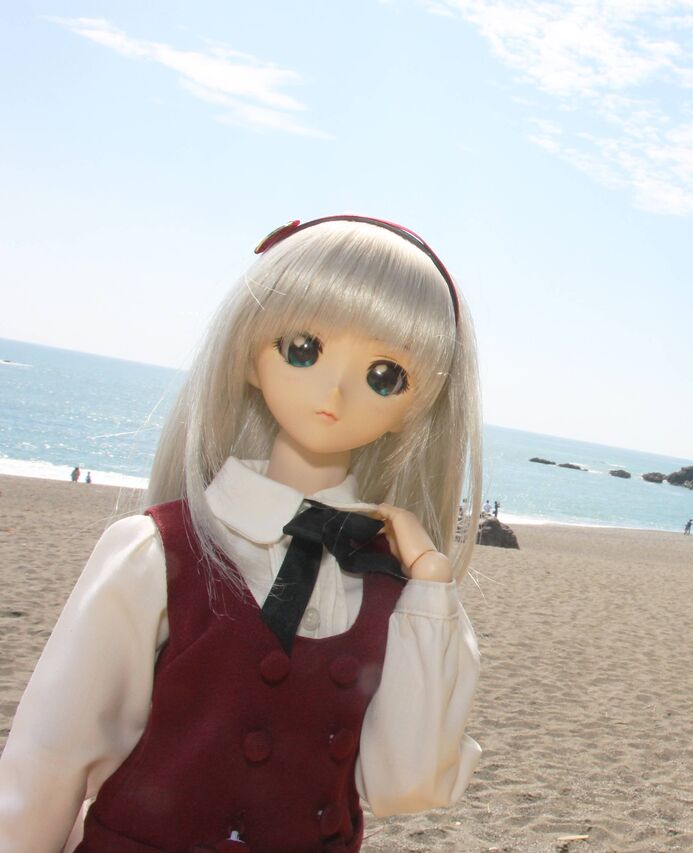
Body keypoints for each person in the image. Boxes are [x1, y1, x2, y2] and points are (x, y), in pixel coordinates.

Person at [0, 216, 484, 851]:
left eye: (384, 375)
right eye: (303, 349)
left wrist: (431, 589)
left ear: (414, 409)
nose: (335, 392)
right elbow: (48, 761)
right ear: (250, 357)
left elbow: (406, 785)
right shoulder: (157, 550)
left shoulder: (393, 589)